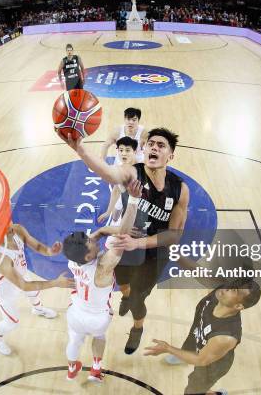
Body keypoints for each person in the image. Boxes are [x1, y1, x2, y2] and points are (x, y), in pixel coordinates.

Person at [61, 127, 190, 355]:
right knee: (122, 282)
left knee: (140, 298)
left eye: (161, 146)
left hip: (154, 252)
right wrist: (80, 150)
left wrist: (139, 243)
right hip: (124, 242)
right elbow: (109, 173)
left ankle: (137, 327)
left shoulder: (180, 189)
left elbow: (174, 235)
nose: (154, 147)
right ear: (144, 149)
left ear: (171, 155)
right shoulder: (132, 172)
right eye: (151, 144)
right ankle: (126, 296)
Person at [62, 179, 142, 383]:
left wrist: (100, 232)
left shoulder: (74, 259)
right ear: (89, 256)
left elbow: (94, 238)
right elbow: (123, 235)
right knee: (99, 338)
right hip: (97, 317)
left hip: (76, 312)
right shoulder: (103, 266)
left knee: (74, 339)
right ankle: (95, 370)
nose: (92, 237)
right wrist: (133, 199)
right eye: (90, 241)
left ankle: (71, 370)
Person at [144, 280, 261, 395]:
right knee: (192, 340)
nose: (226, 288)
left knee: (193, 390)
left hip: (212, 365)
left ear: (238, 305)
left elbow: (201, 360)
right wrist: (178, 259)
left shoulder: (225, 336)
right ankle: (184, 355)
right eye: (232, 286)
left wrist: (168, 348)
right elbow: (197, 271)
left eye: (233, 290)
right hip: (199, 334)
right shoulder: (220, 293)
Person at [0, 220, 74, 355]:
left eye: (8, 220)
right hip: (3, 288)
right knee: (12, 322)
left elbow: (38, 247)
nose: (9, 225)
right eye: (4, 224)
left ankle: (38, 309)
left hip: (19, 273)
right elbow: (24, 286)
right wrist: (55, 283)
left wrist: (50, 251)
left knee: (34, 291)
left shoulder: (17, 229)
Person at [98, 136, 138, 227]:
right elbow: (116, 190)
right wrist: (108, 212)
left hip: (139, 203)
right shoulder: (119, 167)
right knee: (115, 217)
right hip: (124, 196)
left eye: (127, 150)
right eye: (121, 150)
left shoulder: (141, 169)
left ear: (134, 152)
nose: (123, 153)